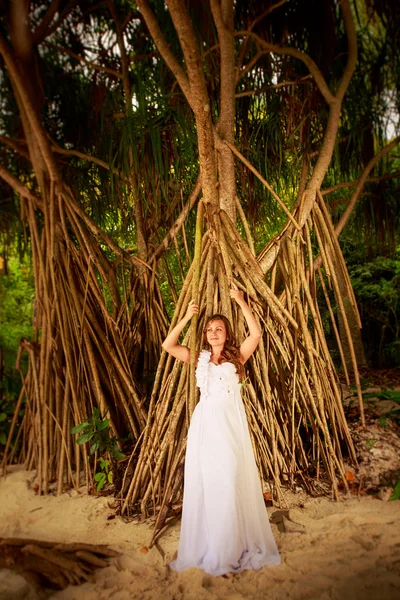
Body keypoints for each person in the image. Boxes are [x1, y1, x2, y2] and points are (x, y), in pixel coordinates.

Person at [162, 283, 281, 576]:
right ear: (205, 335)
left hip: (230, 425)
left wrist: (240, 301)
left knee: (229, 478)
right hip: (205, 425)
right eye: (210, 329)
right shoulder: (199, 359)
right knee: (210, 482)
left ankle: (232, 548)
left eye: (219, 328)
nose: (214, 332)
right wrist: (188, 318)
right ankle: (215, 548)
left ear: (227, 333)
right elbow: (168, 344)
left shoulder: (237, 356)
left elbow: (256, 334)